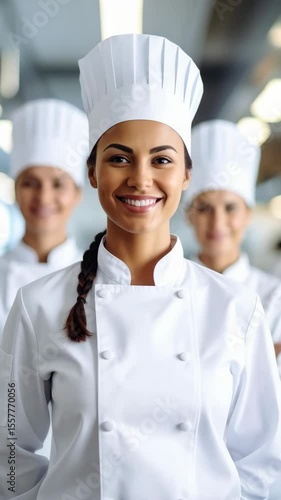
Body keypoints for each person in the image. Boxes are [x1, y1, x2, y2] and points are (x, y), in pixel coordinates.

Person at [0, 34, 280, 500]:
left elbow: (262, 463)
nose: (140, 178)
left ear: (186, 174)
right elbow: (10, 455)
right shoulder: (38, 306)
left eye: (162, 160)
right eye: (118, 158)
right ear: (91, 173)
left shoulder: (237, 309)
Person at [183, 119, 281, 371]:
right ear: (188, 215)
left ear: (247, 214)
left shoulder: (274, 297)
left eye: (230, 208)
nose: (217, 222)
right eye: (204, 208)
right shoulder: (171, 287)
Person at [0, 98, 88, 336]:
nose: (43, 197)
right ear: (16, 190)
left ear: (77, 193)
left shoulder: (96, 280)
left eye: (58, 184)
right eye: (30, 183)